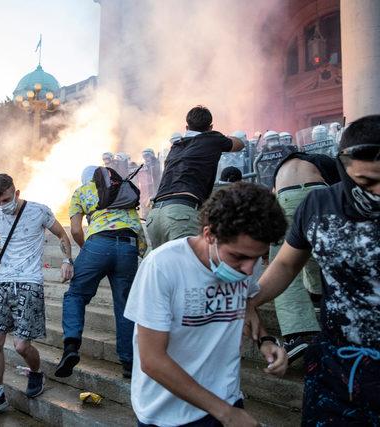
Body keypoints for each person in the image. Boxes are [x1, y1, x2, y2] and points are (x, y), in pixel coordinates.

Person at [246, 115, 380, 426]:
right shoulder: (319, 203)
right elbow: (286, 263)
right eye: (366, 182)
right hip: (337, 368)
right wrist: (250, 299)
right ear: (343, 170)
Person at [125, 182, 288, 427]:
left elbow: (244, 305)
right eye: (239, 257)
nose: (249, 269)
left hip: (226, 398)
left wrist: (265, 340)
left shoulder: (246, 264)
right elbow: (152, 360)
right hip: (167, 414)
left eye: (257, 258)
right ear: (209, 234)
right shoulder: (162, 266)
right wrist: (225, 413)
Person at [0, 173, 73, 421]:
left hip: (29, 282)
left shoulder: (39, 211)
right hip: (3, 283)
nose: (2, 206)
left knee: (21, 345)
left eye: (6, 200)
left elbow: (62, 235)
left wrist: (67, 261)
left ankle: (36, 372)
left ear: (16, 193)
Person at [55, 166, 147, 379]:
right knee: (125, 305)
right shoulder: (121, 189)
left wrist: (89, 248)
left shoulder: (81, 191)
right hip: (128, 245)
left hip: (98, 243)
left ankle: (71, 347)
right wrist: (140, 251)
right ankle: (129, 362)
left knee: (76, 295)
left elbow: (76, 230)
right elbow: (136, 225)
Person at [269, 150, 340, 364]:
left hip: (284, 197)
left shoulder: (281, 167)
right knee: (323, 250)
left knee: (283, 261)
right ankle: (325, 306)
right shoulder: (321, 161)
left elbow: (273, 195)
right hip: (319, 193)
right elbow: (341, 189)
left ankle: (296, 335)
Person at [147, 106, 244, 248]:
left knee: (166, 267)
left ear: (186, 127)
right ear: (210, 127)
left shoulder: (176, 146)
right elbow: (239, 144)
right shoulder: (212, 139)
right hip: (181, 213)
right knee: (190, 266)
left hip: (154, 215)